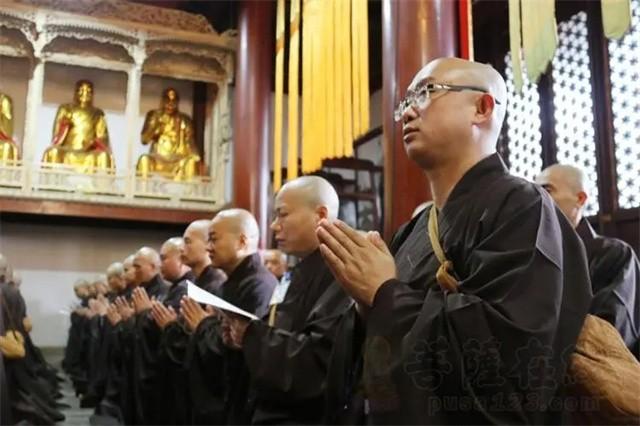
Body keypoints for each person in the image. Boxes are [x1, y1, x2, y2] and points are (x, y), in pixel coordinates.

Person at [317, 57, 592, 424]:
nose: (407, 112)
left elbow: (507, 361)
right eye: (405, 101)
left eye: (427, 92)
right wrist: (367, 305)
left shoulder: (523, 208)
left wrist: (385, 293)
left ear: (482, 108)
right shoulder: (413, 230)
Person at [225, 176, 360, 424]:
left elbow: (319, 361)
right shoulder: (297, 272)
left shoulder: (343, 272)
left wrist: (252, 336)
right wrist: (242, 336)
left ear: (320, 215)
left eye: (283, 214)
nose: (274, 225)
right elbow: (281, 327)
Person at [179, 208, 277, 424]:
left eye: (214, 239)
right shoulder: (230, 283)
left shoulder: (259, 286)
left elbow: (246, 349)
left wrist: (204, 325)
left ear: (241, 242)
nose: (208, 247)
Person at [536, 164, 639, 358]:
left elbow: (608, 337)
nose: (536, 198)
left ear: (580, 199)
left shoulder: (613, 255)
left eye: (547, 190)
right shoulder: (532, 256)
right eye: (534, 191)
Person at [159, 237, 194, 312]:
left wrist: (145, 311)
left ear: (181, 258)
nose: (160, 265)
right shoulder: (178, 287)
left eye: (163, 258)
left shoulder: (184, 289)